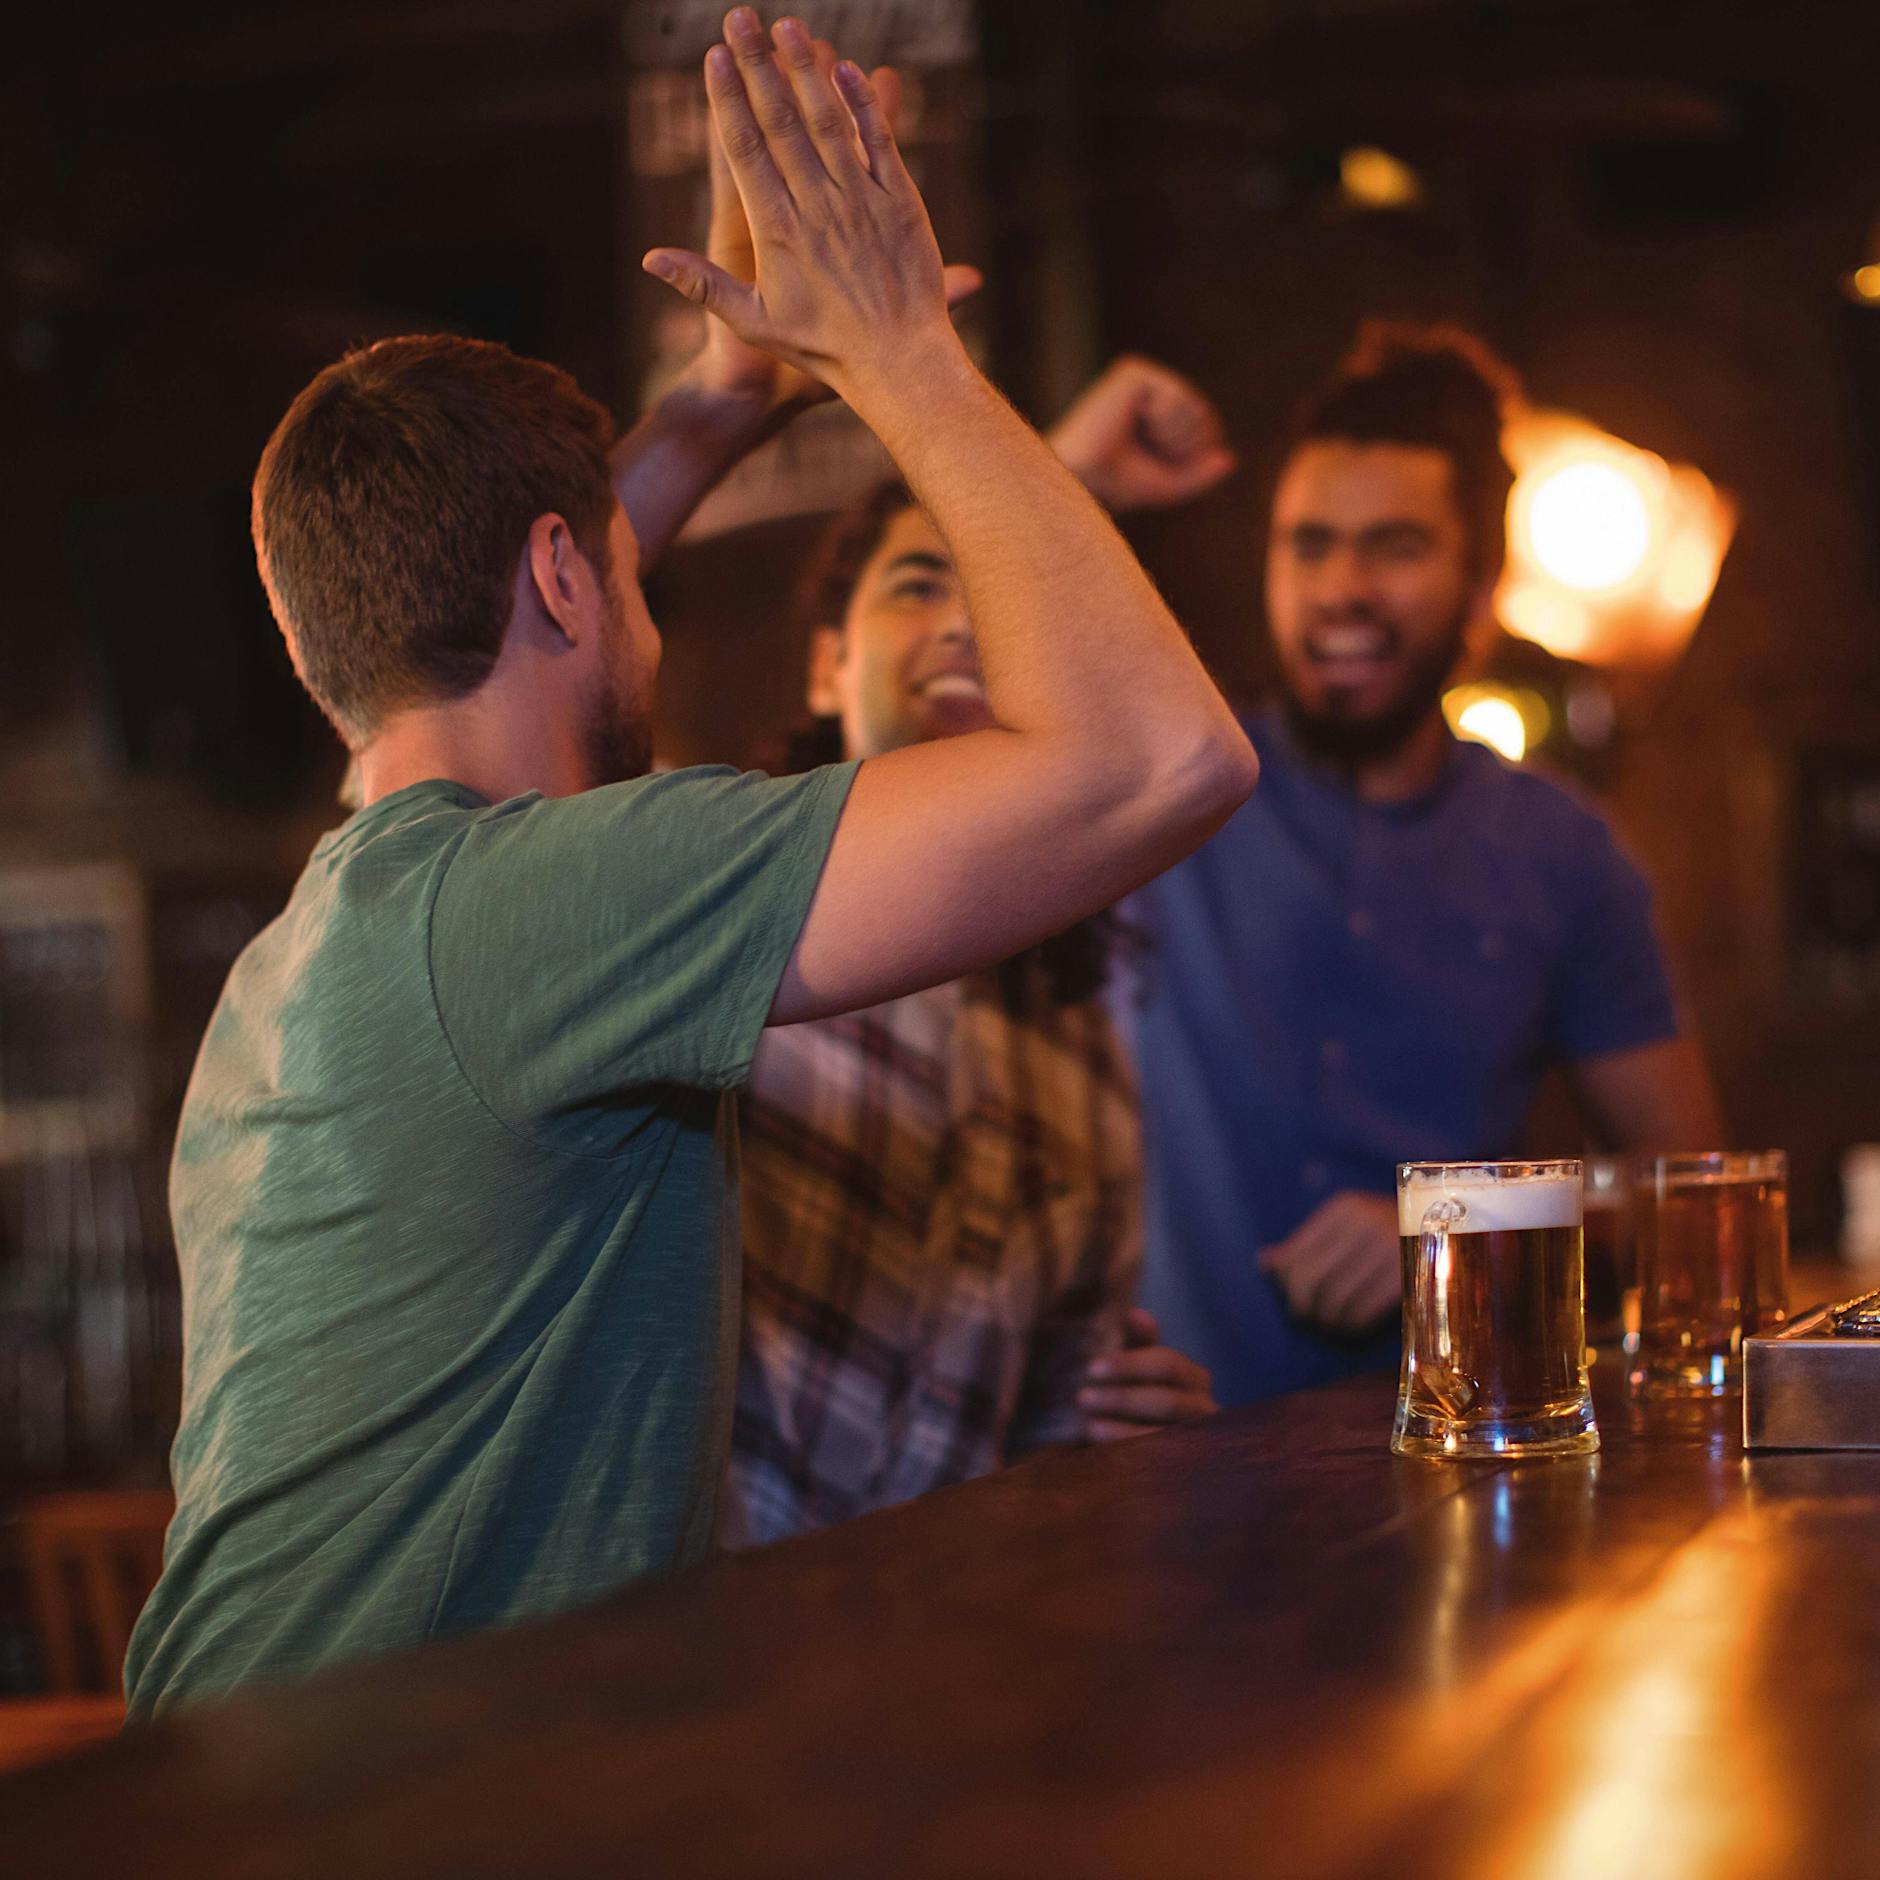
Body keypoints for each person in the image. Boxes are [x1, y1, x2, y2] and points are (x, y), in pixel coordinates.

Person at [125, 9, 1257, 1718]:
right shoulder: (550, 891)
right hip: (381, 1814)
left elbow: (507, 589)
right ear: (572, 584)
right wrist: (900, 360)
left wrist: (730, 394)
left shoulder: (349, 926)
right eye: (623, 578)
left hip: (235, 1784)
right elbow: (1164, 761)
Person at [1122, 322, 1722, 1406]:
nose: (1340, 586)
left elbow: (1690, 1191)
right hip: (1164, 1475)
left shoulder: (1563, 850)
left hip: (1457, 1457)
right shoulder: (1168, 799)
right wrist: (1066, 469)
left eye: (1392, 545)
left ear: (1481, 579)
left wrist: (1458, 1217)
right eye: (1307, 543)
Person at [726, 354, 1234, 1545]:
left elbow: (1052, 1404)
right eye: (912, 585)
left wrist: (1124, 1424)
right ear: (824, 664)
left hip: (971, 1642)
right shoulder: (719, 915)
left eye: (980, 599)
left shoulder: (1080, 1021)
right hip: (706, 1642)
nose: (960, 621)